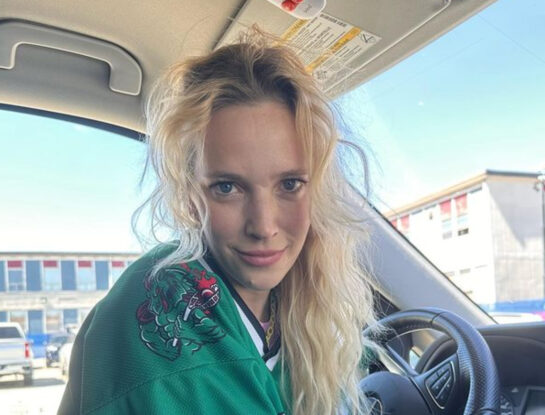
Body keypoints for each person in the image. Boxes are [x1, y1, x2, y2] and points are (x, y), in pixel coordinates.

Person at [59, 28, 378, 415]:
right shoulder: (166, 330)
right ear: (191, 194)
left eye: (290, 184)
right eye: (227, 188)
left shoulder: (298, 306)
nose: (263, 226)